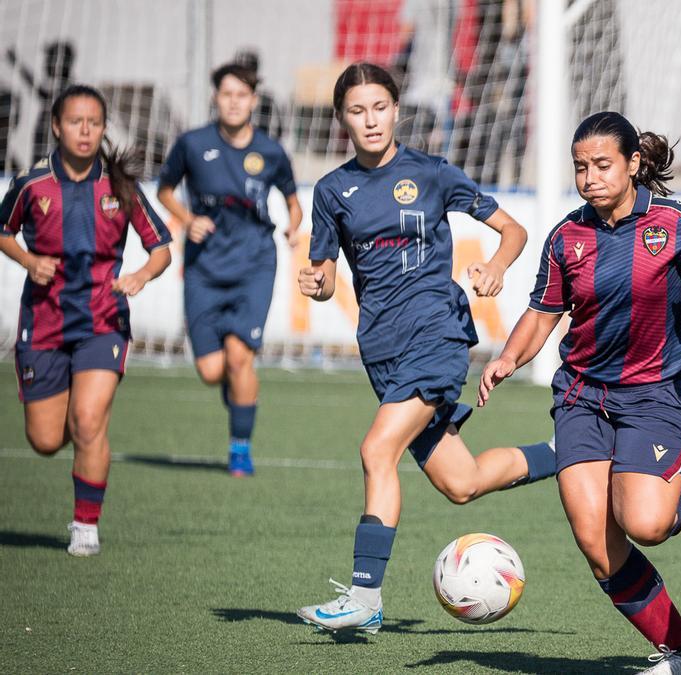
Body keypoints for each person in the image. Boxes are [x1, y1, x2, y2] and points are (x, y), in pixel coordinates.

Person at [293, 62, 556, 635]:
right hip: (382, 352)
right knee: (461, 484)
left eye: (380, 107)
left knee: (375, 451)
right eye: (357, 111)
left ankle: (365, 599)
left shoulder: (432, 173)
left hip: (436, 338)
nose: (370, 120)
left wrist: (495, 266)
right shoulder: (332, 191)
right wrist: (318, 284)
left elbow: (514, 230)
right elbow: (324, 275)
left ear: (397, 110)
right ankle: (570, 452)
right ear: (343, 119)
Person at [478, 111, 681, 675]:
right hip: (581, 398)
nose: (589, 177)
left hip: (653, 396)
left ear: (634, 164)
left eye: (602, 165)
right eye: (580, 167)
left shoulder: (673, 223)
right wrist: (507, 358)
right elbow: (543, 312)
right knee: (596, 542)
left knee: (644, 525)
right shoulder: (567, 235)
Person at [0, 84, 172, 556]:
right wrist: (28, 260)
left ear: (102, 129)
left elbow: (161, 248)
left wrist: (139, 276)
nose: (85, 131)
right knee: (44, 439)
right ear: (56, 127)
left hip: (103, 321)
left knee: (89, 420)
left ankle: (85, 525)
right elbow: (3, 231)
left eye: (94, 123)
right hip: (45, 324)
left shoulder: (120, 186)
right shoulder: (32, 184)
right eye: (75, 121)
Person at [157, 62, 303, 476]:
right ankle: (238, 392)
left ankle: (240, 449)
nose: (234, 102)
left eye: (242, 95)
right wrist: (187, 220)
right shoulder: (191, 143)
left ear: (254, 101)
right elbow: (164, 191)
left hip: (255, 264)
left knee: (240, 359)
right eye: (227, 94)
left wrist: (294, 226)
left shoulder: (271, 151)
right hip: (204, 267)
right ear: (215, 98)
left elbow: (293, 200)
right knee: (210, 370)